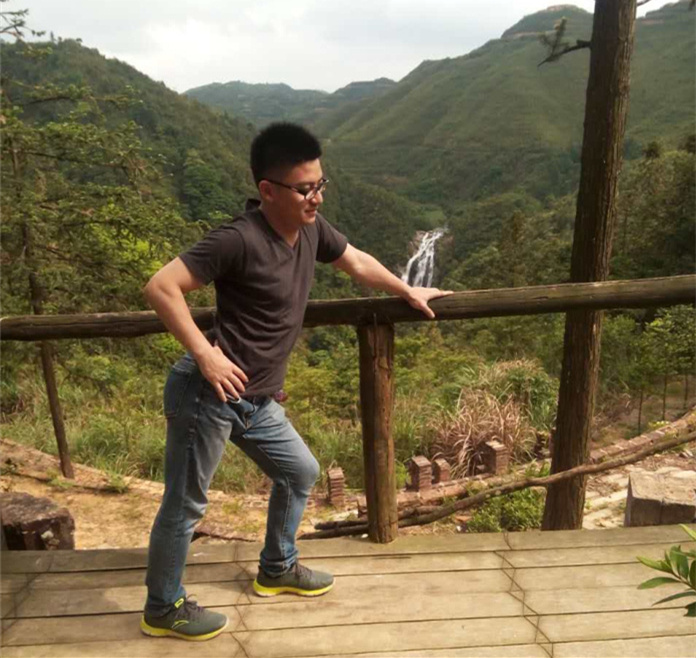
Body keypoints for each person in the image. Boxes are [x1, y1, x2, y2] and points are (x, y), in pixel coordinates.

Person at [139, 122, 452, 641]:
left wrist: (407, 290)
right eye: (305, 189)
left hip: (255, 398)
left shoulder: (312, 230)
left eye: (320, 184)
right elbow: (161, 287)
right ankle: (163, 606)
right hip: (208, 391)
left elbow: (356, 261)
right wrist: (206, 355)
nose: (317, 197)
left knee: (300, 472)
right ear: (268, 190)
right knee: (187, 503)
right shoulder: (238, 239)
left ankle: (277, 568)